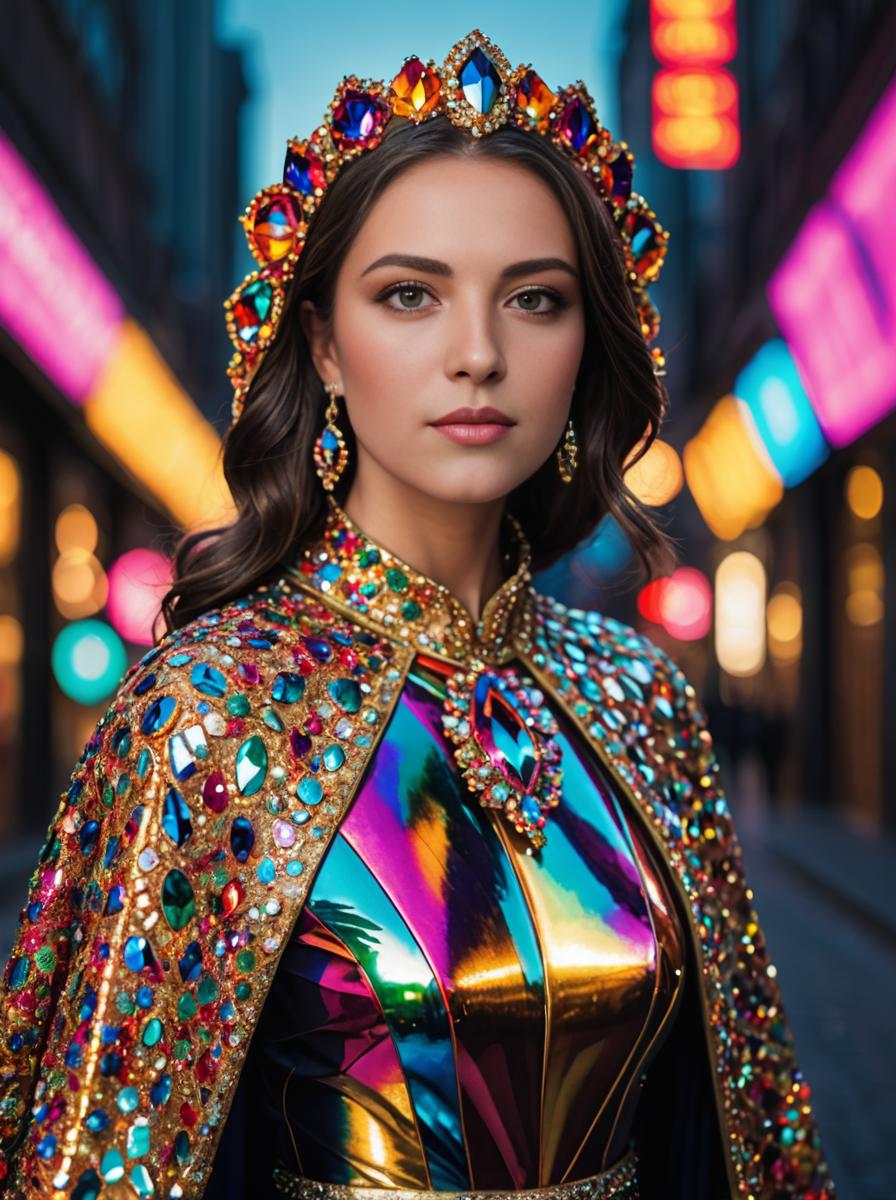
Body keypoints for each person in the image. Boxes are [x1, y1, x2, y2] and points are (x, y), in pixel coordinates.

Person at [0, 29, 836, 1200]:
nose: (479, 356)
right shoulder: (205, 711)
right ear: (325, 347)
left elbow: (739, 1138)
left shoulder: (641, 699)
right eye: (409, 296)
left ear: (586, 343)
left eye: (534, 301)